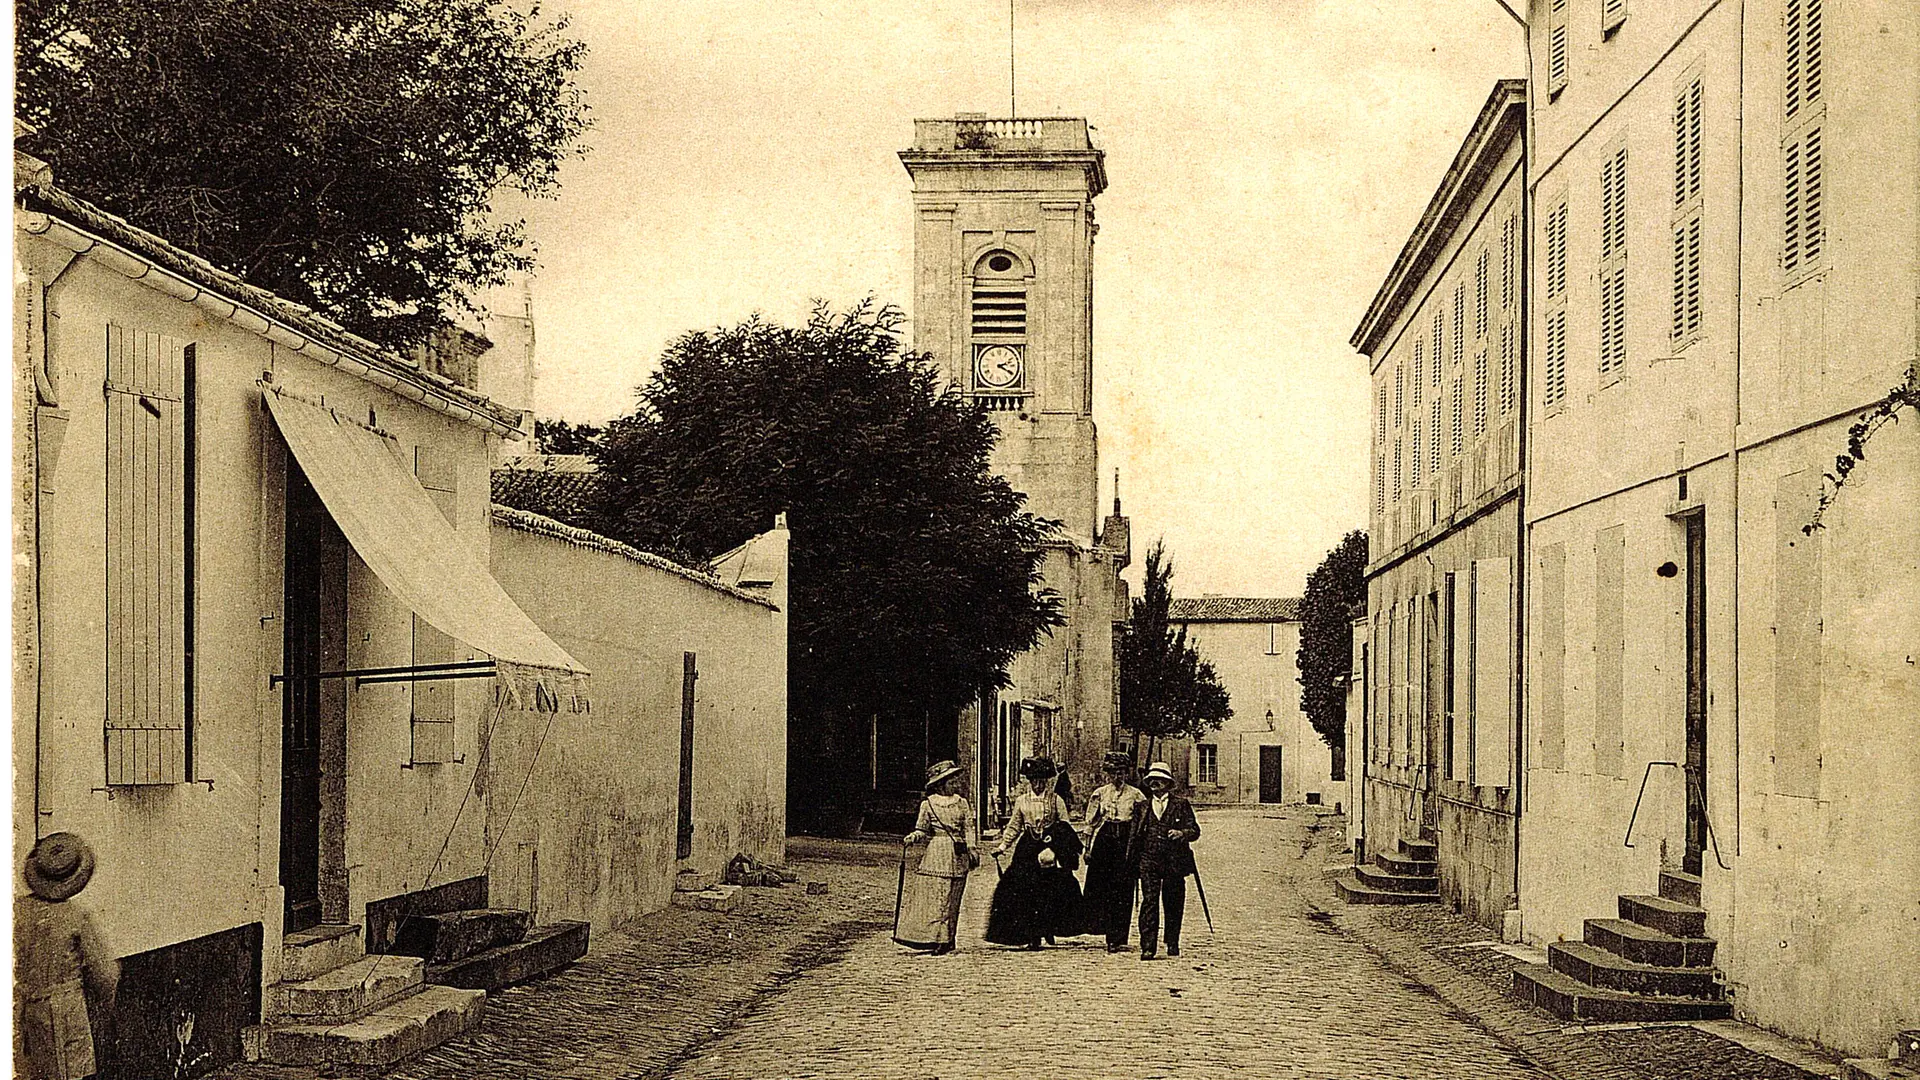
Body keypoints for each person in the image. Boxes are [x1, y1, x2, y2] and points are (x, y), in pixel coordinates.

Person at [15, 833, 119, 1080]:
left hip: (24, 1011)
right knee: (67, 1070)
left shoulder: (16, 911)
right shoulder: (75, 917)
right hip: (65, 1012)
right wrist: (106, 1005)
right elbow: (105, 975)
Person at [984, 757, 1083, 949]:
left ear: (1047, 781)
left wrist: (1057, 847)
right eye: (1034, 780)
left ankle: (1048, 927)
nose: (1038, 784)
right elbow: (1014, 826)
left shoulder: (1056, 800)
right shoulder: (1022, 801)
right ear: (1029, 781)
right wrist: (1002, 847)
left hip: (1049, 847)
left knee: (1049, 890)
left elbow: (1065, 827)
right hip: (1028, 847)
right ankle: (1031, 934)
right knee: (1022, 888)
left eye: (1042, 780)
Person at [893, 760, 980, 955]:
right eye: (951, 781)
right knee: (936, 898)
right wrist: (913, 837)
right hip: (936, 853)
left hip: (958, 853)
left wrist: (972, 847)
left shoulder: (962, 803)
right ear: (941, 785)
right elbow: (921, 829)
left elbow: (969, 827)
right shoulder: (928, 804)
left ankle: (950, 938)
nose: (956, 785)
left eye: (956, 781)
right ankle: (936, 938)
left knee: (953, 898)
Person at [1080, 751, 1148, 953]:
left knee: (1124, 889)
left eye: (1121, 773)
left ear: (1127, 774)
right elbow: (1090, 824)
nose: (1117, 777)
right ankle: (1107, 933)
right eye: (1113, 773)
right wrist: (1087, 849)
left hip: (1126, 842)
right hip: (1106, 840)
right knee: (1103, 888)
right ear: (1107, 774)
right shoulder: (1100, 794)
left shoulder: (1136, 795)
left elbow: (1143, 824)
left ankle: (1119, 936)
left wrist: (1139, 850)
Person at [1135, 762, 1201, 961]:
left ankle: (1172, 941)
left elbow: (1195, 831)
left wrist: (1182, 833)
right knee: (1149, 902)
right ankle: (1148, 946)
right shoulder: (1142, 806)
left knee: (1173, 902)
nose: (1155, 783)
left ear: (1167, 783)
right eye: (1151, 780)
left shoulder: (1180, 805)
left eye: (1159, 779)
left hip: (1174, 860)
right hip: (1149, 860)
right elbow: (1135, 836)